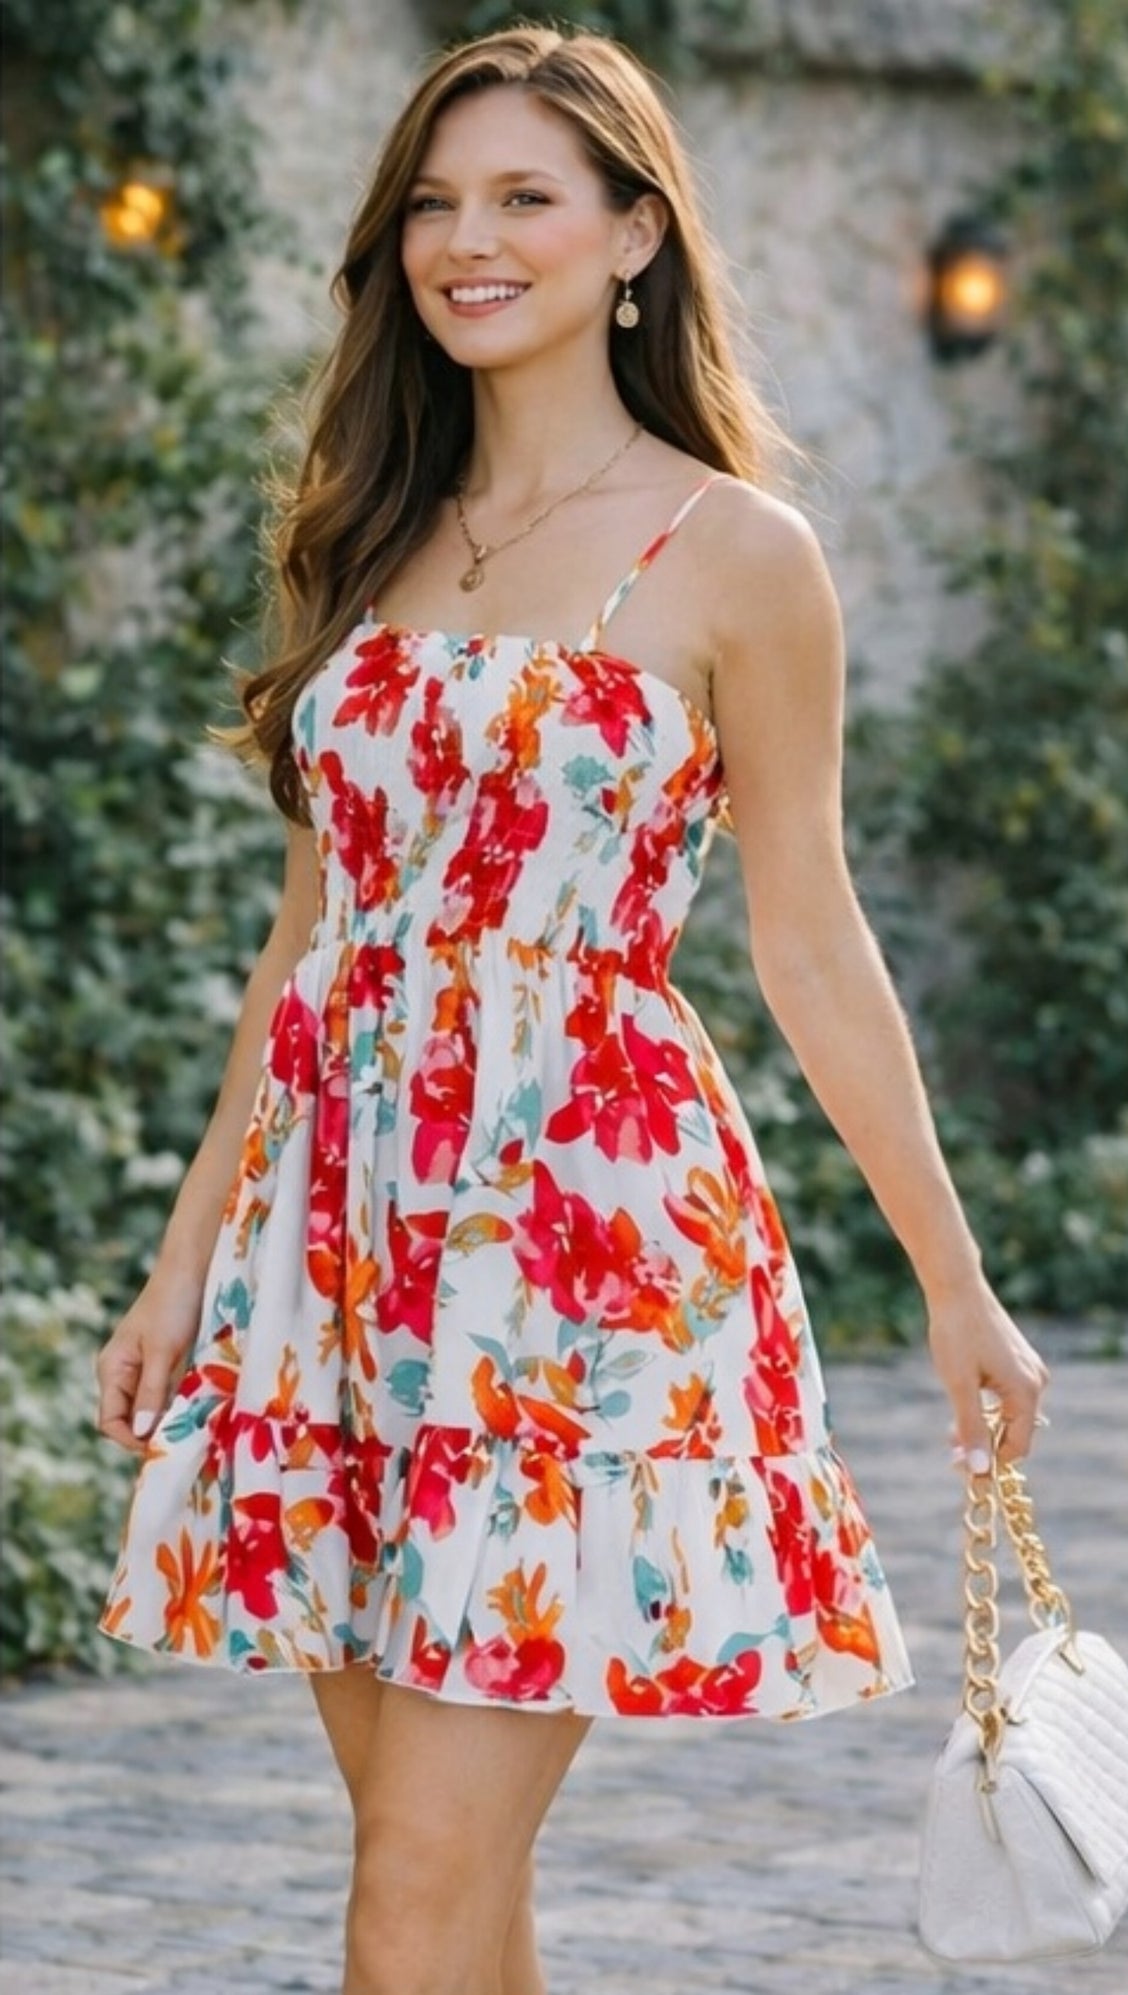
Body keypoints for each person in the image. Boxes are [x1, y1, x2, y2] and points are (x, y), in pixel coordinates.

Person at [95, 23, 1048, 1995]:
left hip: (571, 1257)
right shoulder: (371, 535)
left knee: (409, 1908)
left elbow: (810, 931)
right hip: (337, 1257)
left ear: (635, 237)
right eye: (437, 203)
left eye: (526, 195)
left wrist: (955, 1281)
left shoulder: (740, 554)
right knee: (452, 1894)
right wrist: (184, 1266)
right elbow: (305, 956)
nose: (470, 239)